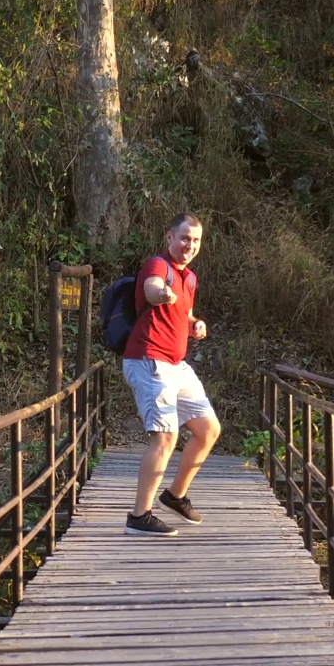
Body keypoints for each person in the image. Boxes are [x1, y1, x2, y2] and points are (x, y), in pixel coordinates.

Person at [120, 213, 221, 536]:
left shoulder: (189, 278)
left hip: (176, 364)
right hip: (148, 360)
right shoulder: (157, 266)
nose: (190, 245)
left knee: (208, 429)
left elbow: (185, 314)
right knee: (165, 436)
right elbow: (151, 290)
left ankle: (175, 495)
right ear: (170, 238)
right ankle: (139, 517)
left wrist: (195, 325)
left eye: (196, 240)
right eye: (184, 238)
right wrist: (161, 294)